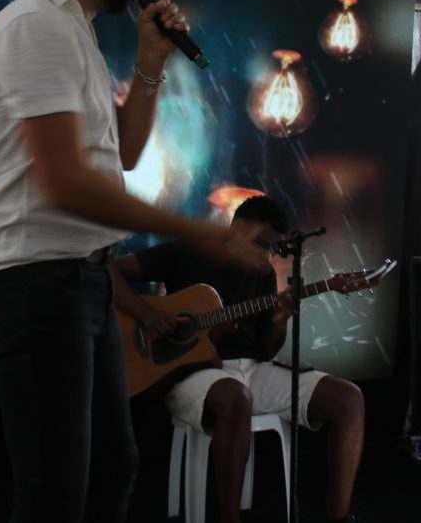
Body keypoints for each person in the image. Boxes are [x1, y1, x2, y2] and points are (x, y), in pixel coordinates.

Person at [0, 0, 268, 523]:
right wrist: (195, 232)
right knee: (55, 494)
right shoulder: (35, 26)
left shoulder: (74, 33)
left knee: (110, 469)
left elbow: (123, 152)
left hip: (79, 282)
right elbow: (66, 183)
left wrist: (150, 60)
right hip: (36, 287)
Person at [113, 195, 365, 523]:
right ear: (237, 226)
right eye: (260, 243)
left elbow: (267, 349)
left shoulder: (262, 274)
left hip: (252, 369)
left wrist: (280, 320)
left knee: (348, 399)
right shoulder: (184, 251)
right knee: (237, 397)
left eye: (271, 248)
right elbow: (109, 270)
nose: (265, 254)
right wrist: (146, 314)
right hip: (192, 372)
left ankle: (339, 515)